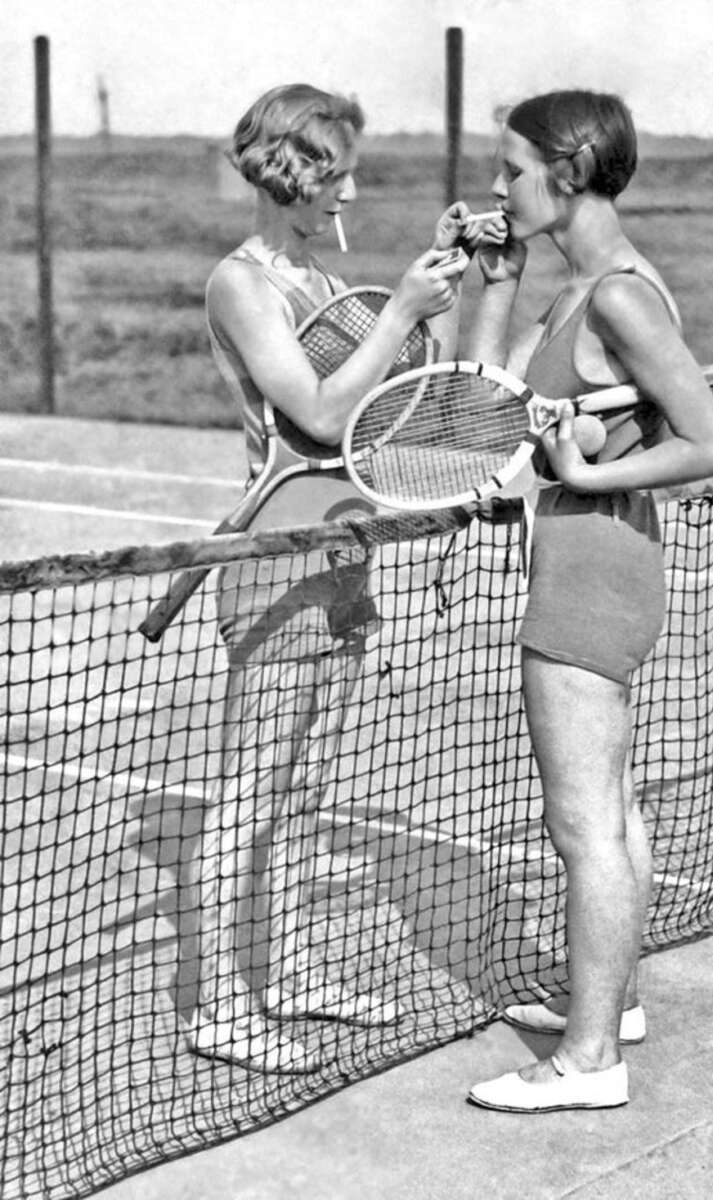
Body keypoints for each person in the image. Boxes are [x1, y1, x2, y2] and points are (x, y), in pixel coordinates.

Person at [184, 83, 469, 1074]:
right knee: (249, 794)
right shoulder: (243, 282)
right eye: (335, 171)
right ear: (292, 173)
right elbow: (312, 412)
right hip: (276, 564)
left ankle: (294, 969)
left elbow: (402, 405)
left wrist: (439, 298)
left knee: (305, 789)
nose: (349, 189)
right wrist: (397, 308)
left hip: (347, 554)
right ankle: (220, 1005)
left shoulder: (312, 271)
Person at [461, 89, 713, 1112]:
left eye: (512, 168)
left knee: (581, 825)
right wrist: (498, 281)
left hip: (591, 564)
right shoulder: (584, 284)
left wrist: (575, 473)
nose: (497, 186)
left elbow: (707, 446)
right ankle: (611, 1005)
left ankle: (586, 1063)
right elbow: (480, 402)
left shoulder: (620, 294)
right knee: (611, 812)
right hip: (600, 555)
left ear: (567, 174)